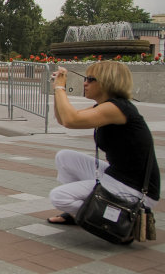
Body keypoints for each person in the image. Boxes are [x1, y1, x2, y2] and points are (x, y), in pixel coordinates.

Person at [47, 61, 159, 225]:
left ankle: (122, 219)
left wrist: (60, 88)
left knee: (59, 196)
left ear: (108, 81)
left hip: (135, 188)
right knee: (64, 157)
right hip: (117, 176)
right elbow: (65, 119)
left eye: (90, 79)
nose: (85, 83)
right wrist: (57, 90)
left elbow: (71, 120)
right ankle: (76, 213)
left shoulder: (118, 108)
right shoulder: (106, 106)